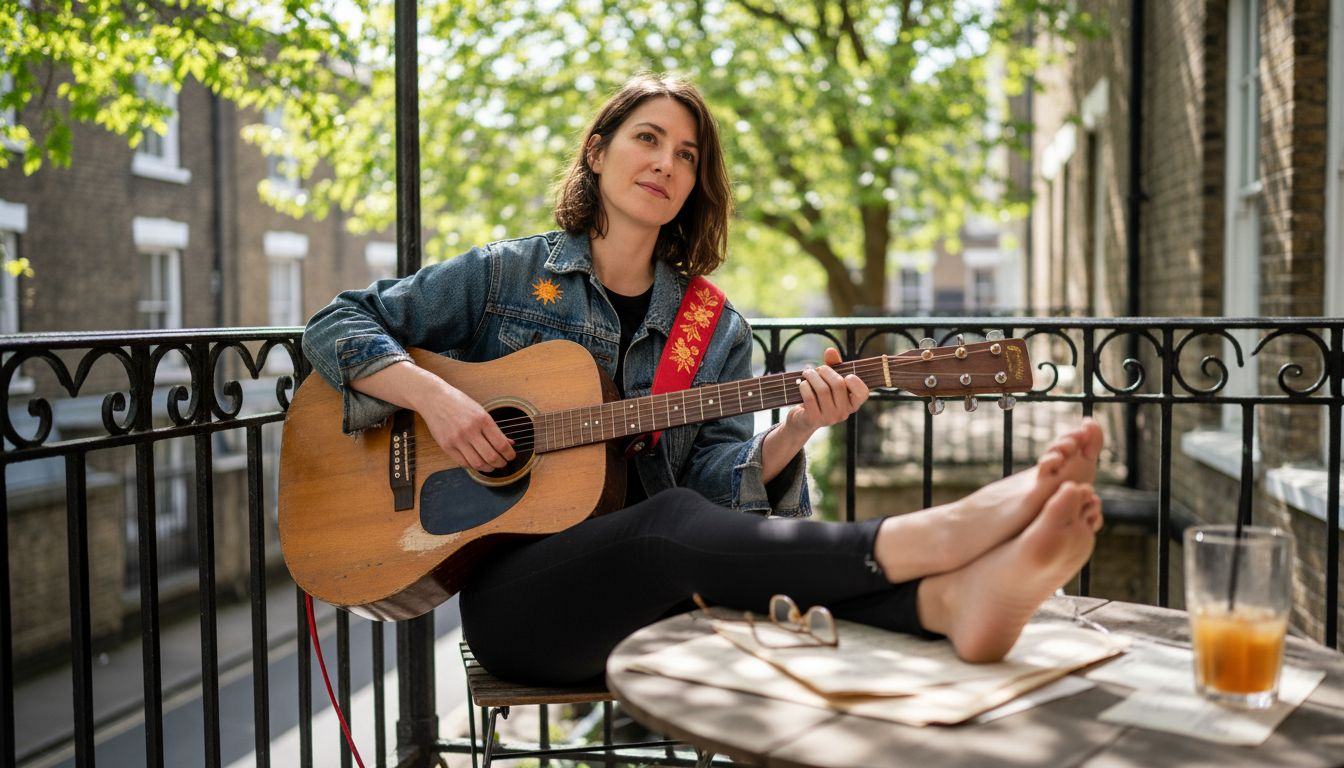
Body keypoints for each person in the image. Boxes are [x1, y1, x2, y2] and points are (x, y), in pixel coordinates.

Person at [302, 72, 1105, 685]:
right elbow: (336, 324)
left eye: (686, 155)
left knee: (678, 532)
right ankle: (925, 543)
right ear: (598, 150)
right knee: (666, 527)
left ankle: (944, 604)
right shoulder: (505, 277)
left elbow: (723, 510)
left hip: (662, 597)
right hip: (524, 608)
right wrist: (436, 399)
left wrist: (793, 432)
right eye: (647, 139)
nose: (666, 164)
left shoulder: (713, 329)